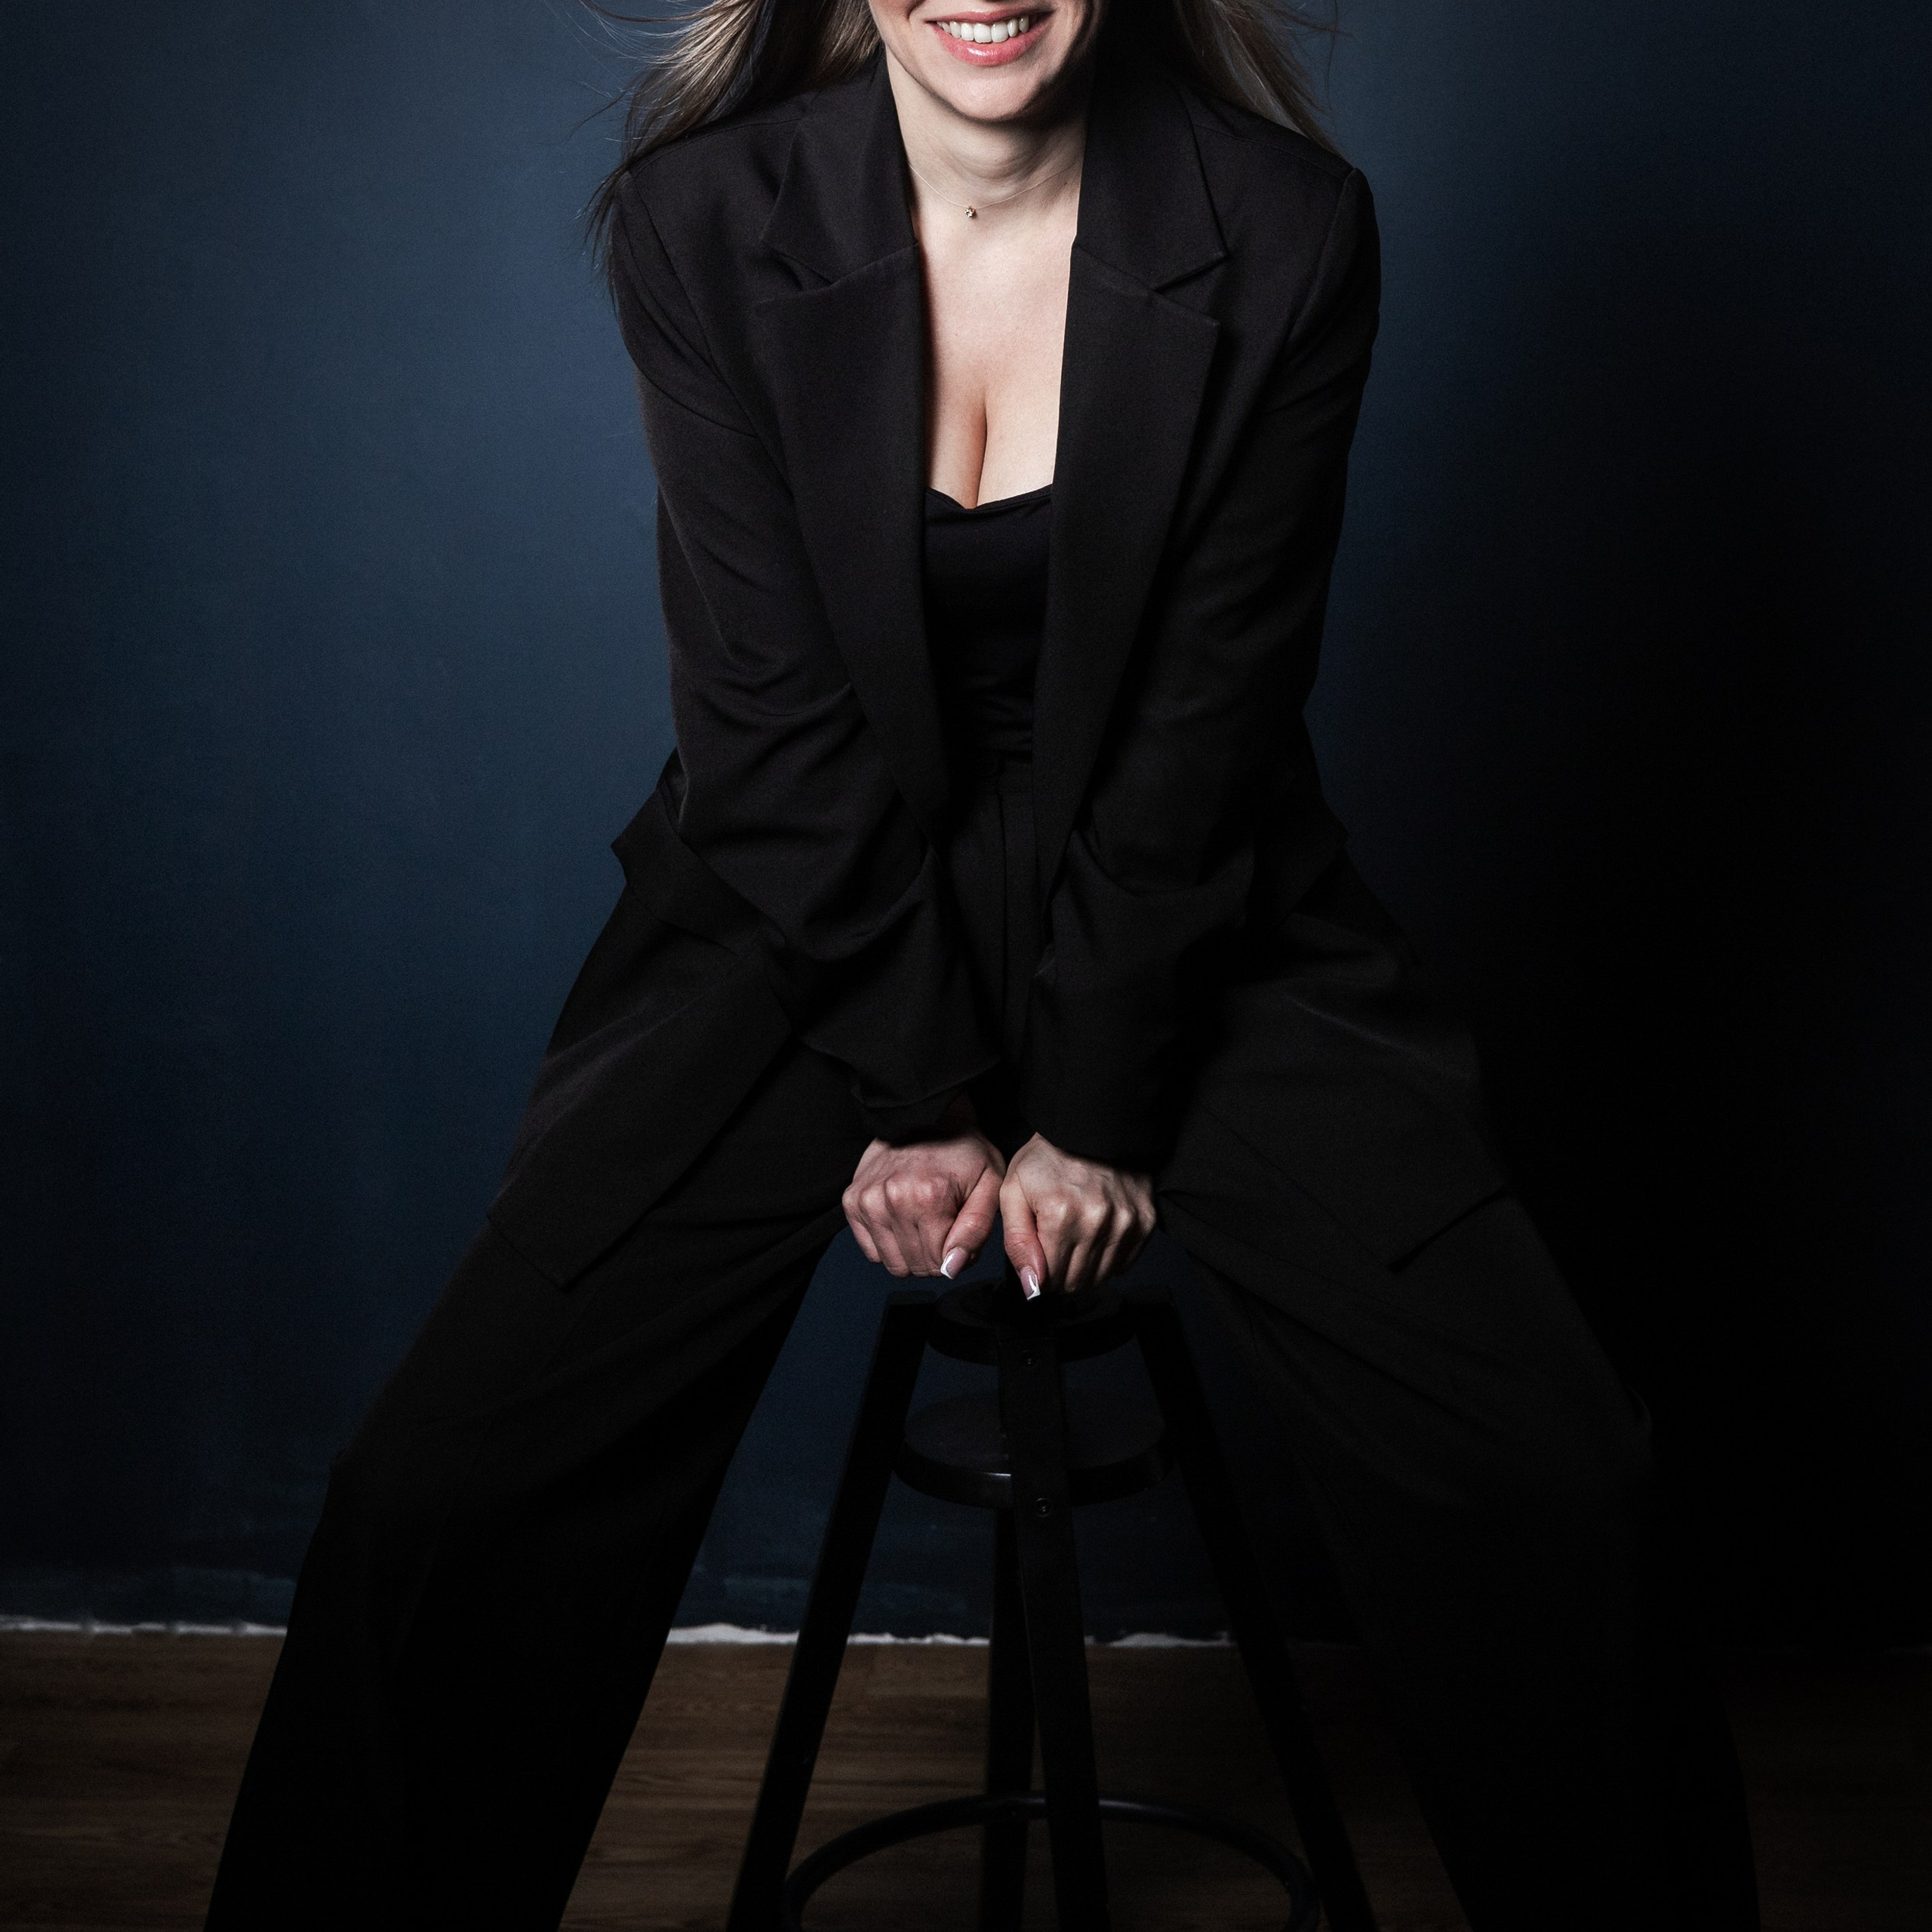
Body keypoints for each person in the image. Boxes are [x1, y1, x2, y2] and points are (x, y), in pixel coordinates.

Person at [205, 0, 1761, 1925]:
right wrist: (922, 1092)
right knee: (437, 1492)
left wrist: (1091, 1110)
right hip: (813, 905)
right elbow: (767, 731)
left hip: (1185, 905)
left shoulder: (1285, 228)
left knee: (1554, 1477)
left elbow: (1205, 724)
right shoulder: (704, 221)